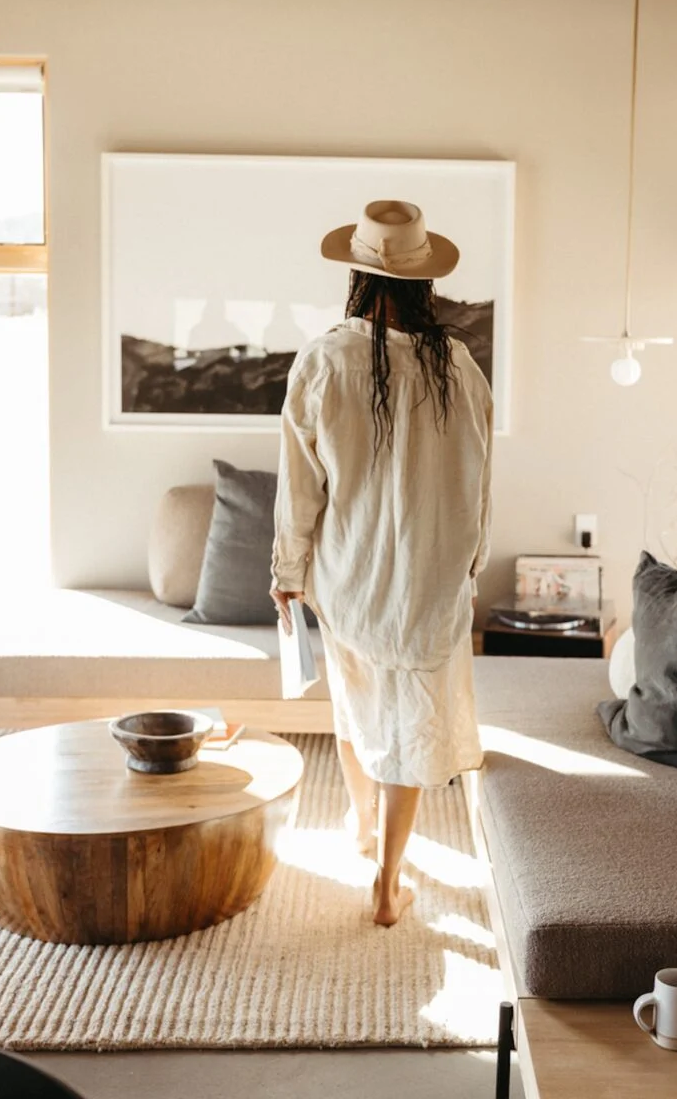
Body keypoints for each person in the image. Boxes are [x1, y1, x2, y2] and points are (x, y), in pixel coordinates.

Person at [270, 199, 493, 927]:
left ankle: (364, 829)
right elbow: (481, 480)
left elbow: (299, 485)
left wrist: (288, 571)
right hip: (431, 581)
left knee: (355, 702)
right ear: (424, 281)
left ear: (358, 277)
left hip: (349, 576)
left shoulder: (324, 359)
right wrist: (470, 563)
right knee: (412, 729)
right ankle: (388, 880)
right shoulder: (457, 366)